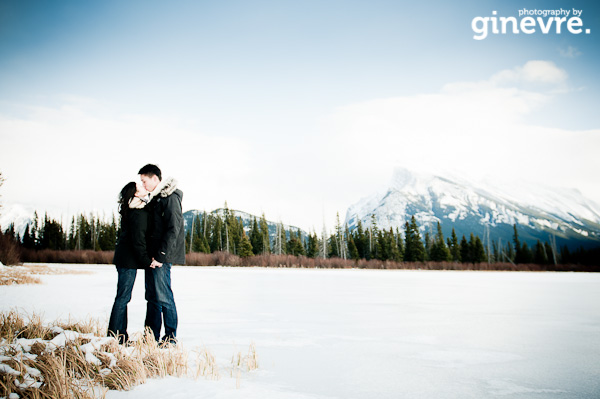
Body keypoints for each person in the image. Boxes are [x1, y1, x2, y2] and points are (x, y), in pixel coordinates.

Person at [139, 164, 185, 344]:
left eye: (144, 181)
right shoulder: (155, 199)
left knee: (164, 295)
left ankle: (170, 338)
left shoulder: (170, 197)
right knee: (152, 296)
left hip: (162, 257)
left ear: (155, 179)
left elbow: (174, 229)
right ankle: (150, 336)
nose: (143, 185)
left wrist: (160, 256)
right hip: (152, 257)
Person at [107, 182, 152, 344]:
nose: (143, 188)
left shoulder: (133, 208)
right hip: (127, 260)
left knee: (123, 297)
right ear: (135, 194)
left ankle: (120, 335)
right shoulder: (136, 212)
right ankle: (114, 337)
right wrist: (147, 261)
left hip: (125, 259)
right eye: (140, 188)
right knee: (123, 298)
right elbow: (138, 241)